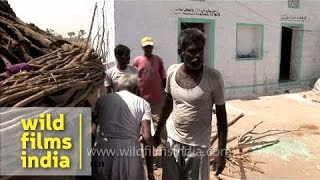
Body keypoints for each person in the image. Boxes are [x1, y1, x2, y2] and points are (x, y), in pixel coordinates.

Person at [154, 28, 228, 179]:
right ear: (180, 52)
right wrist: (157, 132)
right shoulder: (172, 72)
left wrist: (221, 153)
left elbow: (222, 117)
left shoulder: (213, 77)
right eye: (192, 51)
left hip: (198, 147)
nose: (198, 55)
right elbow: (167, 104)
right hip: (172, 142)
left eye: (200, 50)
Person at [92, 74, 153, 180]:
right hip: (129, 154)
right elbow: (147, 136)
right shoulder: (143, 104)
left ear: (118, 87)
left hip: (103, 150)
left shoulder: (102, 100)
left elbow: (92, 129)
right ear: (136, 89)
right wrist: (150, 171)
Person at [133, 36, 167, 179]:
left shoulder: (158, 60)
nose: (148, 48)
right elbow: (134, 81)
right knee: (145, 136)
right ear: (143, 47)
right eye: (146, 46)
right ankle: (150, 166)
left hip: (157, 103)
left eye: (150, 46)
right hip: (142, 104)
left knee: (163, 135)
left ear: (152, 47)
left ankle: (166, 164)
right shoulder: (137, 61)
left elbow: (163, 78)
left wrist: (162, 94)